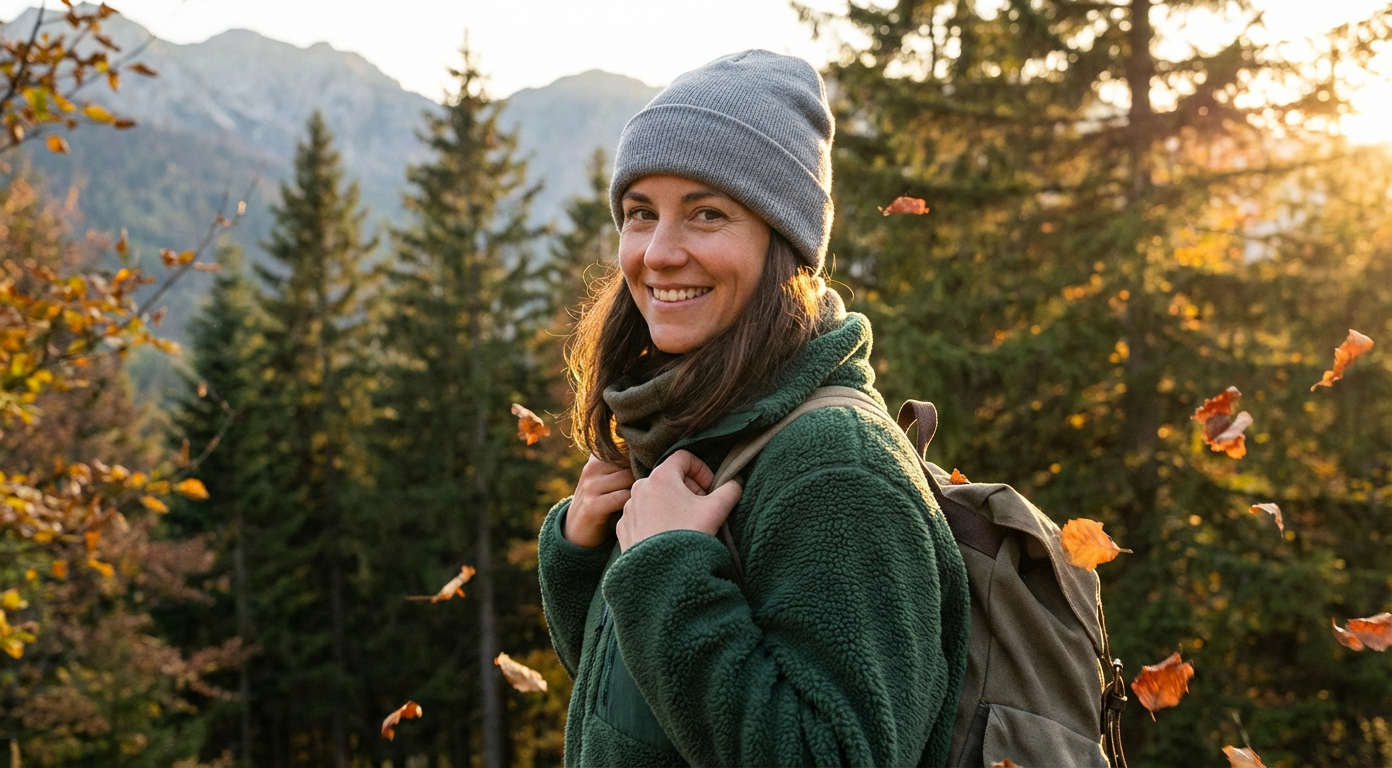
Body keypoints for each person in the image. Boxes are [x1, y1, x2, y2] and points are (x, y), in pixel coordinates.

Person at [537, 49, 970, 767]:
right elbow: (653, 709)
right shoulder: (700, 431)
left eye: (707, 214)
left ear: (785, 245)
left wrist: (666, 567)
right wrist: (586, 560)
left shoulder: (836, 471)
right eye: (640, 214)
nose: (658, 252)